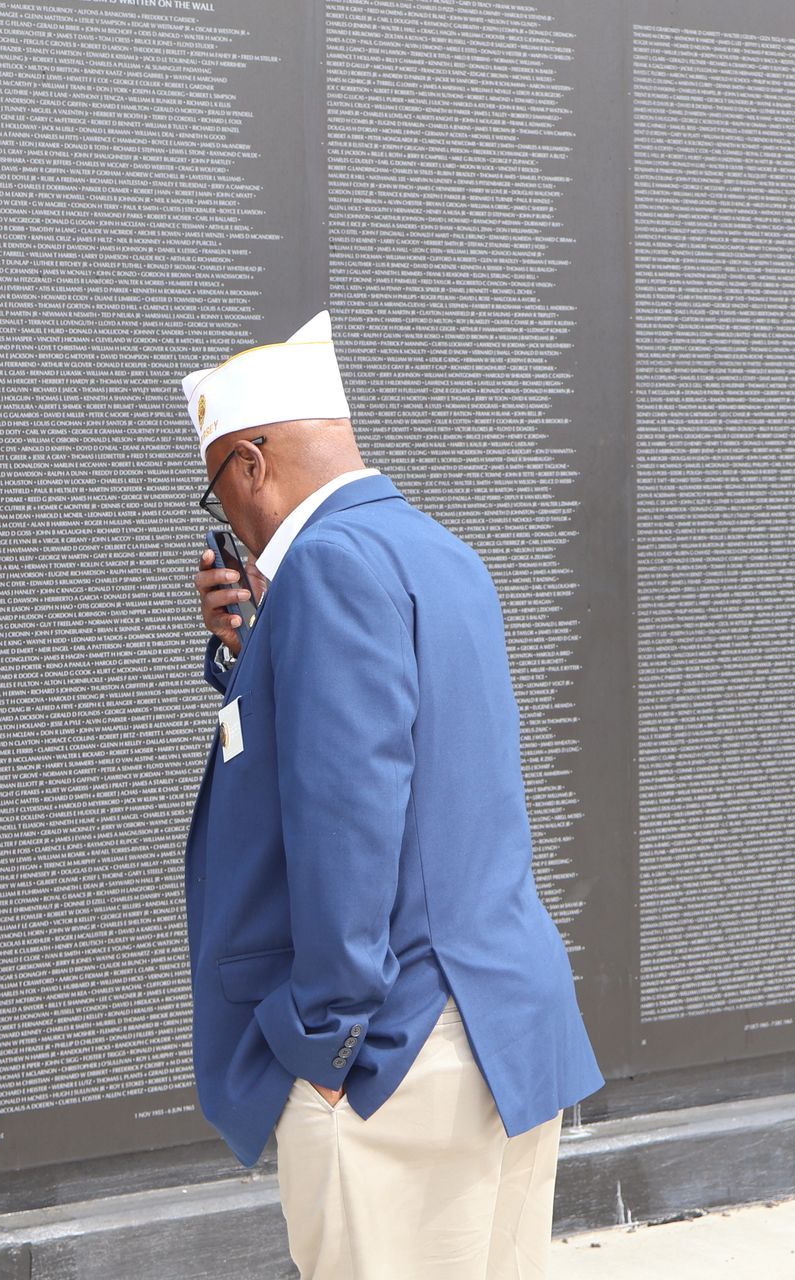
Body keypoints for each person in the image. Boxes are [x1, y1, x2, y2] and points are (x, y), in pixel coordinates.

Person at [177, 308, 605, 1278]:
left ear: (250, 462)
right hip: (503, 1029)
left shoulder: (327, 565)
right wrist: (257, 650)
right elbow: (419, 759)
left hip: (393, 1057)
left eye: (216, 490)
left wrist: (322, 1042)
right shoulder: (439, 552)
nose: (228, 519)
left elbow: (351, 815)